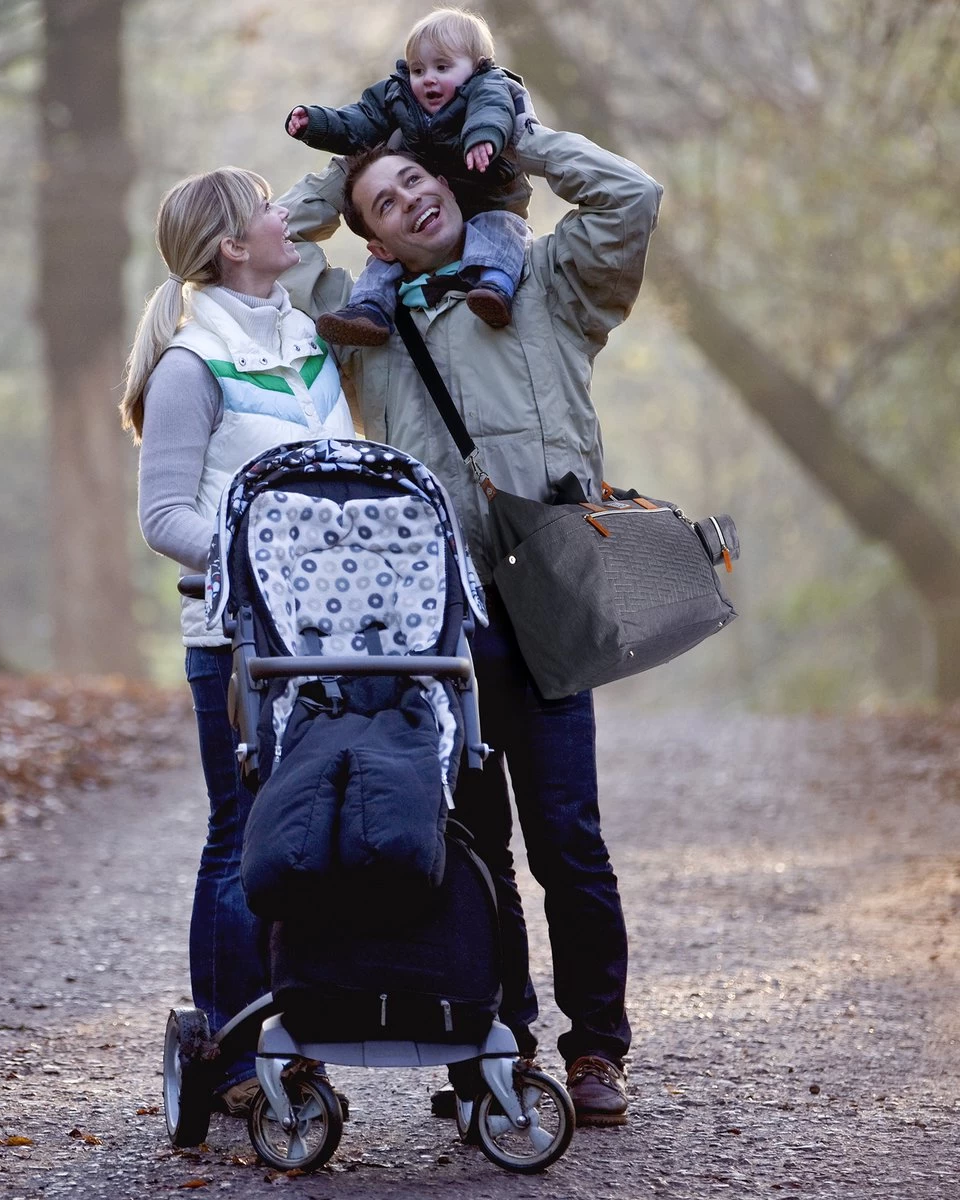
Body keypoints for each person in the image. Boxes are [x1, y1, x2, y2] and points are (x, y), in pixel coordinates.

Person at [275, 126, 663, 1126]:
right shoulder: (361, 325)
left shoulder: (548, 283)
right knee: (473, 841)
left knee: (568, 837)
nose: (409, 200)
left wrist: (516, 143)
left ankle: (596, 1051)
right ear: (376, 243)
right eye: (384, 204)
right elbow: (277, 238)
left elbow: (633, 199)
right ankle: (493, 1043)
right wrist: (350, 154)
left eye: (416, 180)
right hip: (443, 617)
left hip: (552, 598)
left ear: (447, 183)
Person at [119, 167, 354, 1117]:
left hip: (330, 638)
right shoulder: (189, 365)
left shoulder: (300, 339)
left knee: (313, 840)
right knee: (240, 837)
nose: (282, 218)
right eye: (265, 208)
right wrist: (272, 556)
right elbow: (165, 516)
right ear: (229, 244)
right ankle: (229, 1053)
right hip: (236, 643)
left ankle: (295, 1040)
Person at [285, 5, 534, 346]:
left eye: (442, 67)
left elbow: (491, 112)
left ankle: (495, 287)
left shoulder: (488, 86)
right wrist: (316, 123)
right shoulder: (399, 94)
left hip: (491, 195)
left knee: (503, 232)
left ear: (476, 67)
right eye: (418, 69)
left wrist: (483, 139)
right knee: (384, 261)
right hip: (438, 202)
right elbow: (360, 121)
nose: (428, 78)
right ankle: (368, 309)